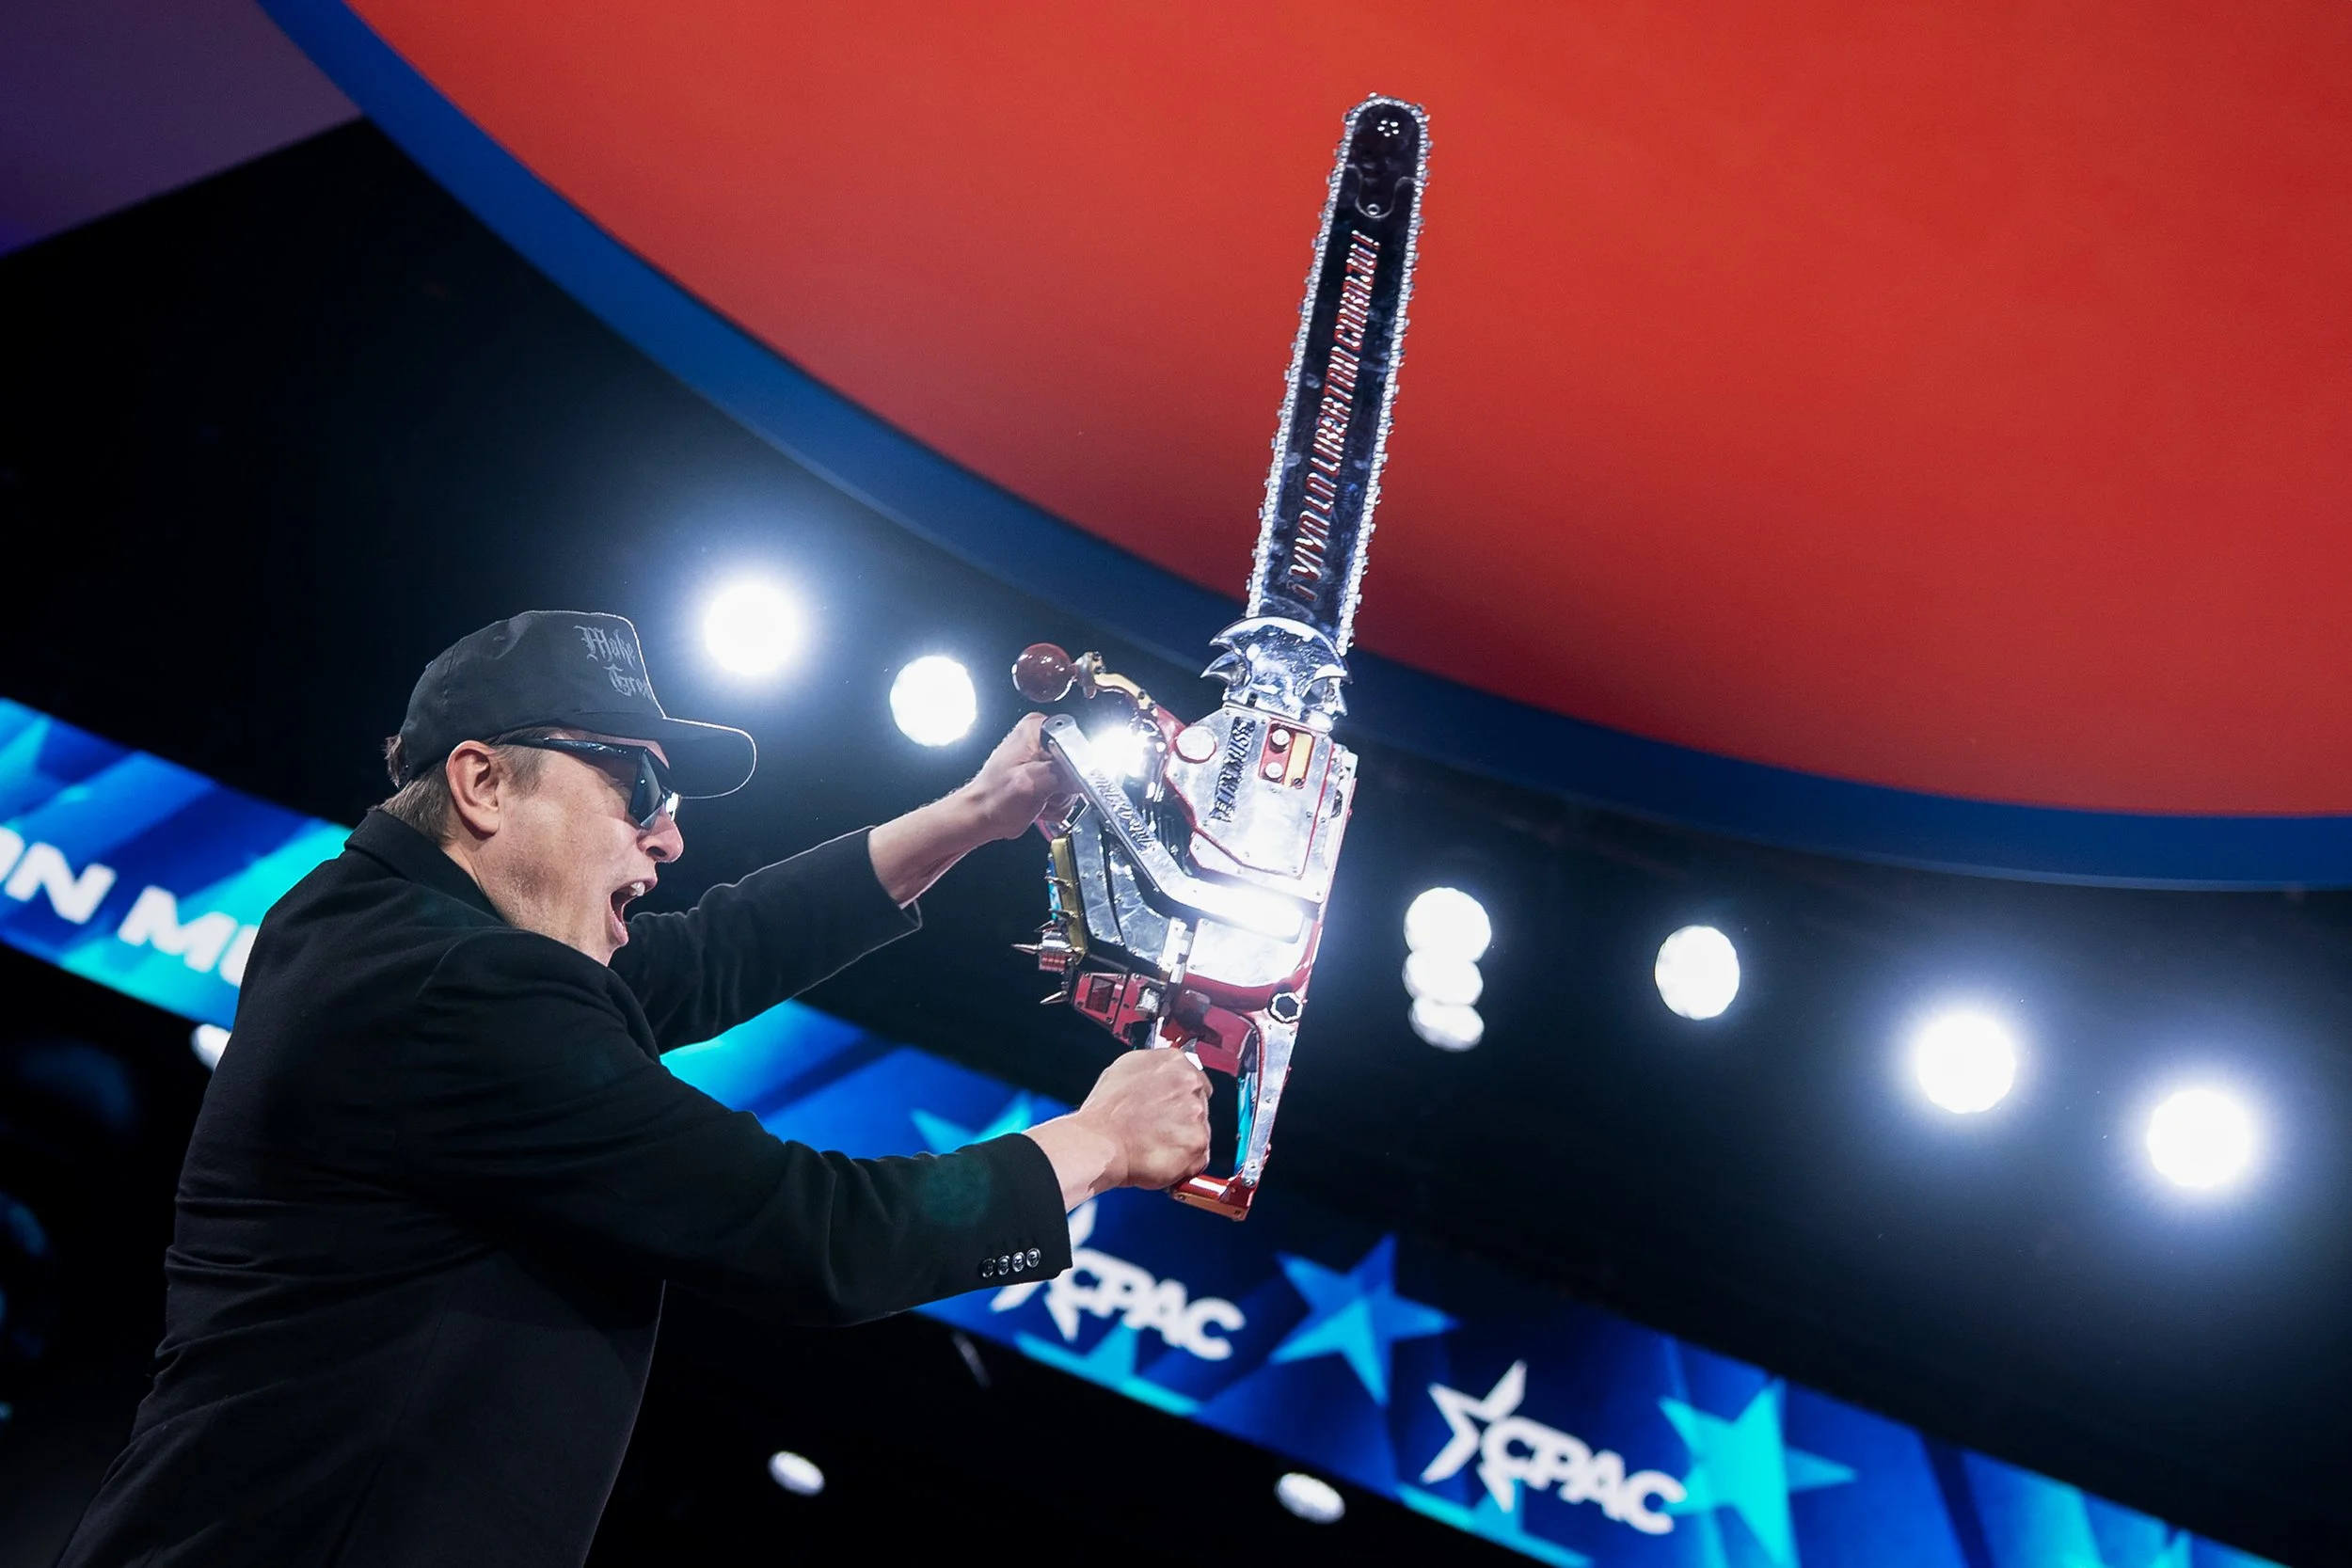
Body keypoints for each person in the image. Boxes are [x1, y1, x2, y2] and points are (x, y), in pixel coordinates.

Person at [58, 610, 1211, 1568]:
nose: (668, 839)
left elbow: (709, 951)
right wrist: (1096, 1141)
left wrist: (972, 812)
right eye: (639, 786)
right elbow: (819, 1234)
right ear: (484, 783)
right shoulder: (453, 988)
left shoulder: (381, 932)